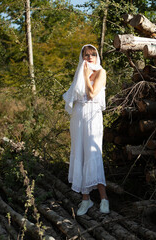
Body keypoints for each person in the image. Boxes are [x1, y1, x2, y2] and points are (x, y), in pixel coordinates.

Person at [62, 44, 109, 216]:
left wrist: (84, 75)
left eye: (93, 54)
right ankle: (85, 199)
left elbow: (92, 94)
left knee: (93, 154)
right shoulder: (78, 74)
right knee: (80, 154)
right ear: (82, 57)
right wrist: (80, 76)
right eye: (86, 54)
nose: (89, 57)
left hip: (93, 116)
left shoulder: (100, 72)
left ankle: (104, 198)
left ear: (97, 57)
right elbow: (71, 96)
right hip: (79, 116)